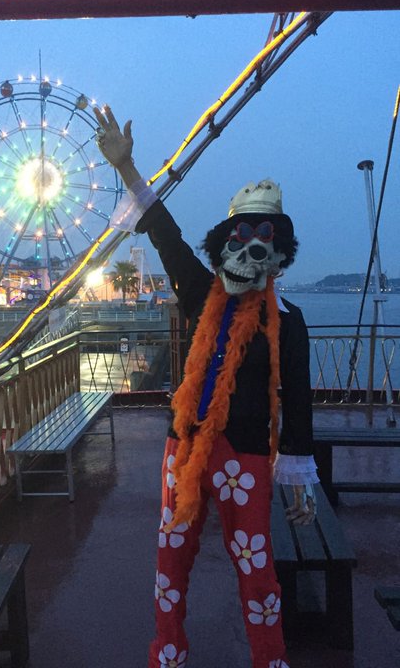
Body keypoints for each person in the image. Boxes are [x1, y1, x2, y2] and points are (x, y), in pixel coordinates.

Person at [94, 105, 319, 668]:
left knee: (257, 571)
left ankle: (269, 658)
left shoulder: (287, 321)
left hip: (248, 455)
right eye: (239, 240)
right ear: (223, 246)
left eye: (264, 243)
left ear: (279, 255)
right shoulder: (199, 292)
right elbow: (164, 232)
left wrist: (298, 476)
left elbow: (298, 397)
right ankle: (168, 650)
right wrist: (127, 168)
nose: (249, 253)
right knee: (171, 562)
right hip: (185, 448)